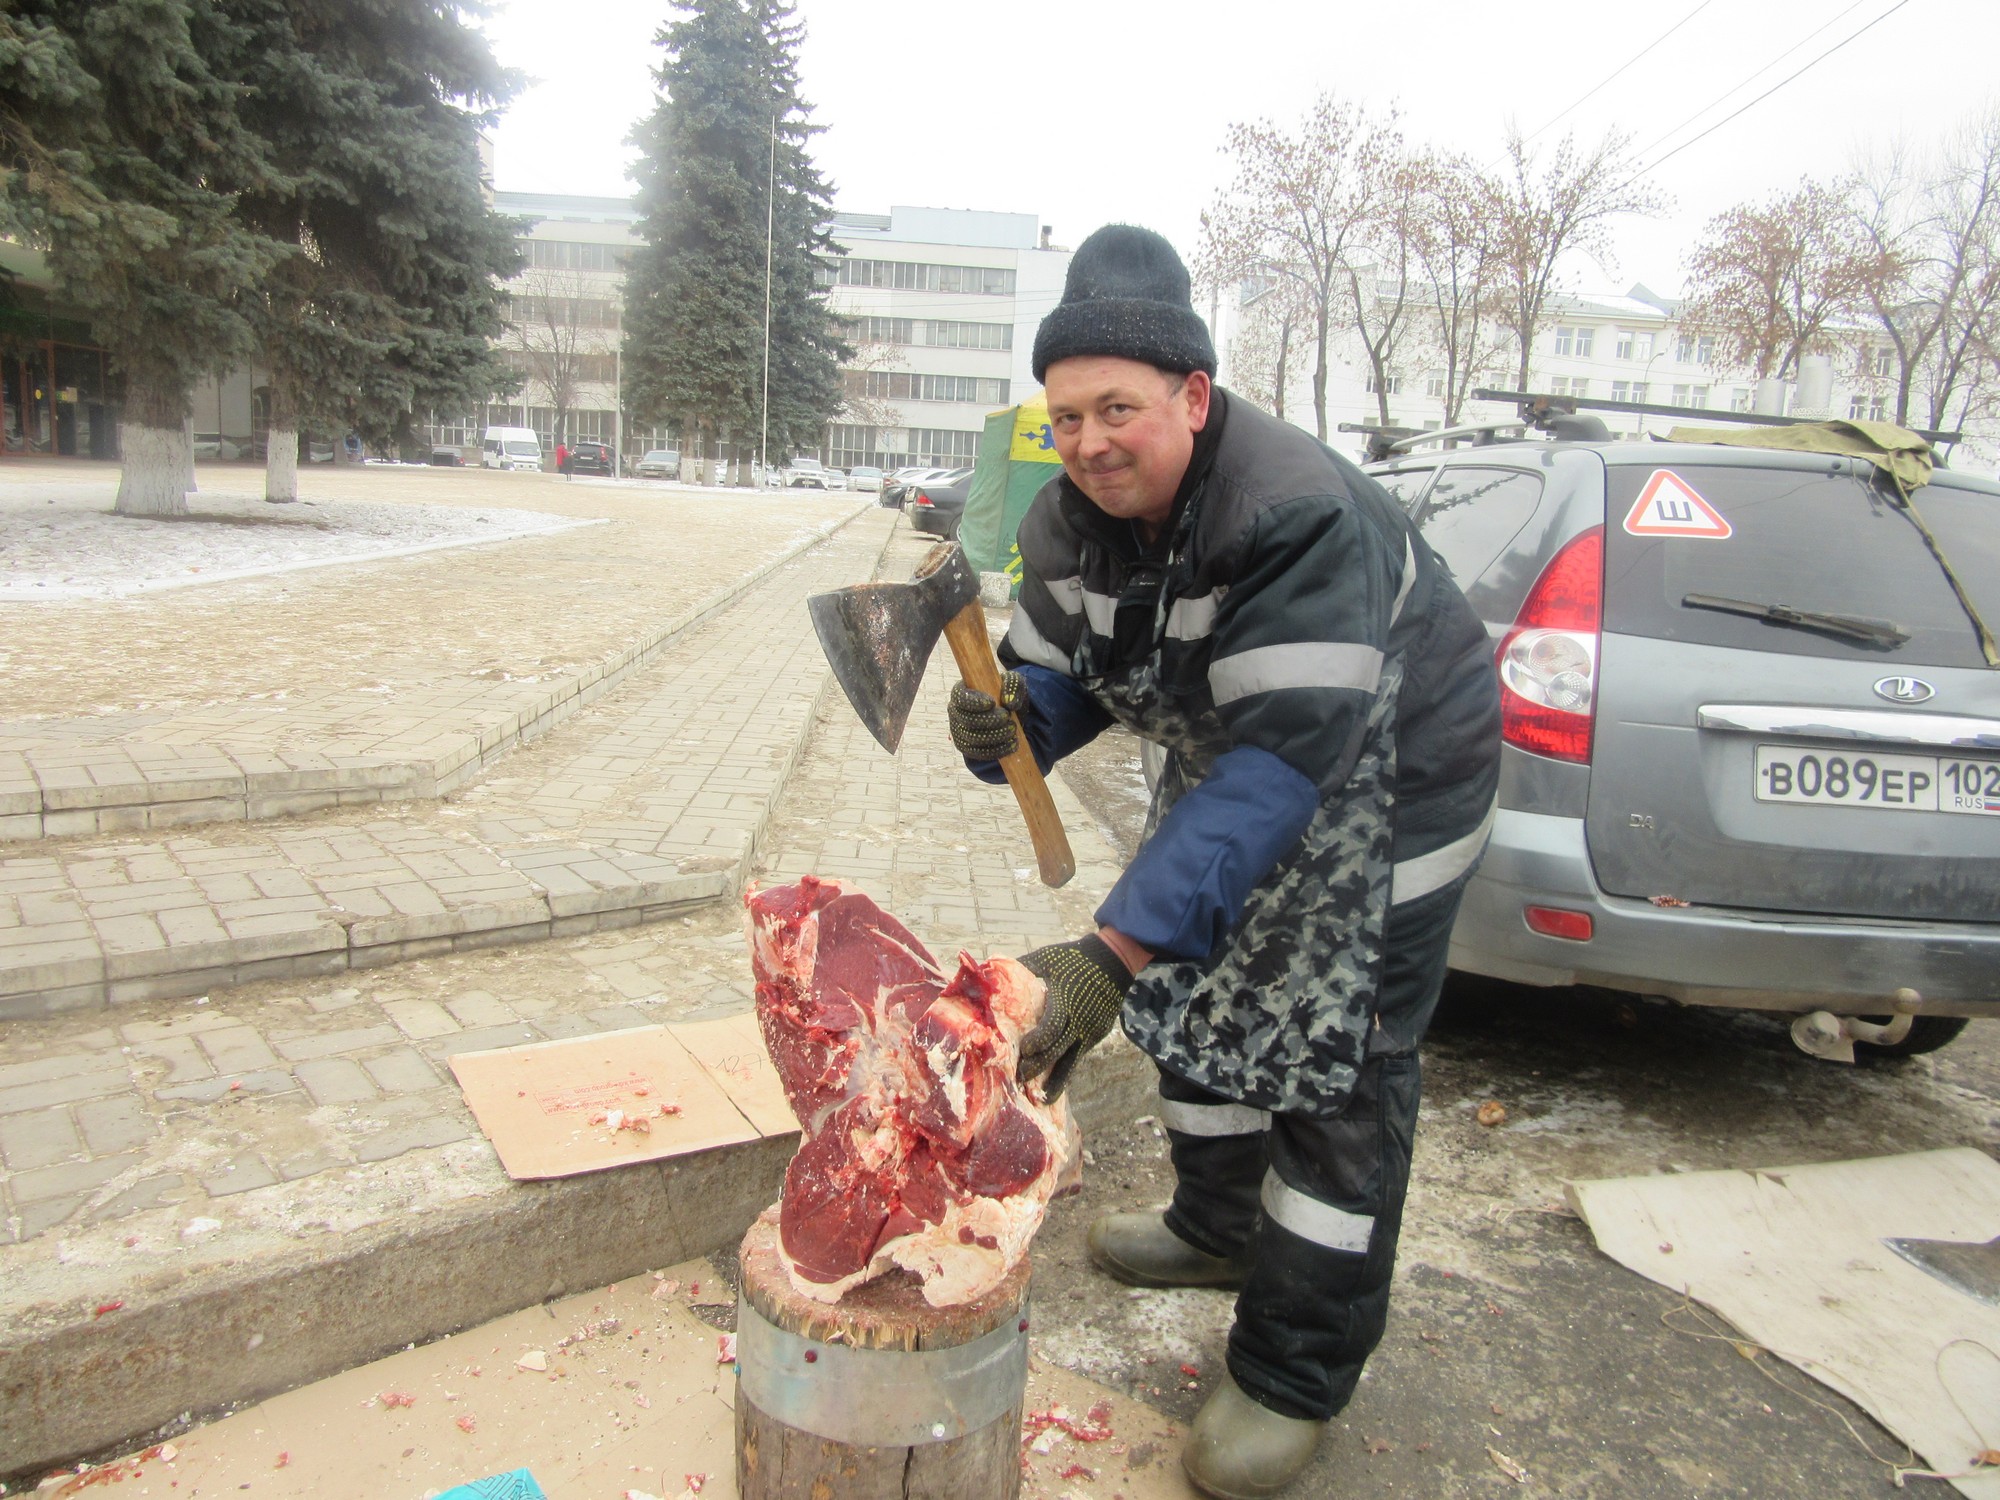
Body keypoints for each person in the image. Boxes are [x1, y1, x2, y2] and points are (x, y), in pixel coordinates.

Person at [947, 225, 1502, 1500]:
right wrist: (1008, 728)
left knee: (1332, 1056)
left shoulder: (1293, 512)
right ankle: (1215, 1227)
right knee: (1187, 992)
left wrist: (1104, 949)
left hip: (1398, 770)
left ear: (1193, 396)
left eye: (1120, 409)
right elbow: (1072, 682)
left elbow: (1282, 768)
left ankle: (1293, 1370)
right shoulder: (1068, 522)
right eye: (1067, 413)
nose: (1089, 441)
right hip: (1241, 748)